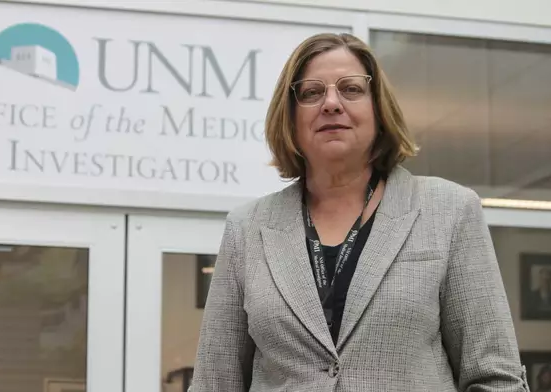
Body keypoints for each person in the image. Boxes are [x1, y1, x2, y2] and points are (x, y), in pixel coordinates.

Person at [190, 32, 530, 391]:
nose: (332, 103)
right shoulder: (248, 228)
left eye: (351, 89)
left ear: (378, 109)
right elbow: (215, 382)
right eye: (311, 92)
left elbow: (496, 378)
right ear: (289, 117)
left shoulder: (448, 210)